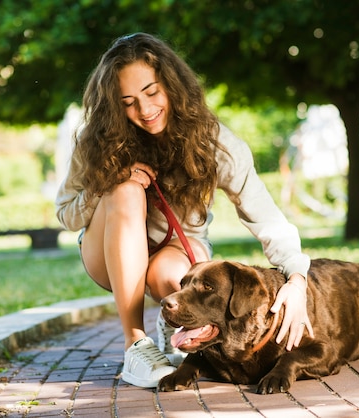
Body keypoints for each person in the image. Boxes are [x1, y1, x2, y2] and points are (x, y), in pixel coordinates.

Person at [55, 32, 313, 388]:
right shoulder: (95, 143)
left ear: (173, 85)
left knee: (170, 277)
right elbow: (66, 213)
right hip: (104, 253)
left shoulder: (215, 143)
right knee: (126, 190)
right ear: (113, 106)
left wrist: (297, 279)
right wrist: (109, 182)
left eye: (151, 92)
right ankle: (136, 346)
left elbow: (266, 217)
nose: (144, 110)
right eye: (128, 102)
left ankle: (175, 318)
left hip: (178, 251)